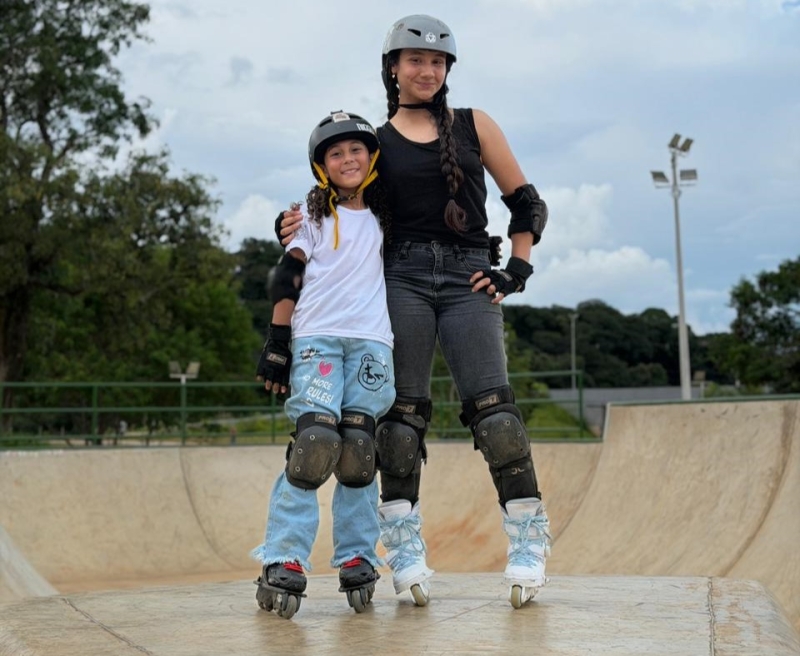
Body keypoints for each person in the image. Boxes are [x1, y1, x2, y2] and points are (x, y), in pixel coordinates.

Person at [275, 15, 551, 610]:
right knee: (399, 427)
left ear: (447, 70)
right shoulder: (374, 141)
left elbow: (525, 201)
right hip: (398, 278)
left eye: (438, 62)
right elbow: (338, 199)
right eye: (414, 60)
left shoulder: (476, 126)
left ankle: (528, 541)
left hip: (469, 275)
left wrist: (517, 268)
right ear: (392, 69)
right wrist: (288, 223)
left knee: (496, 417)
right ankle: (403, 551)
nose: (427, 71)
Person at [251, 111, 396, 619]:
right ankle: (282, 555)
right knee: (316, 442)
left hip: (372, 343)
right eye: (336, 153)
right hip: (317, 340)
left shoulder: (386, 215)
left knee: (358, 448)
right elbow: (287, 278)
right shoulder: (310, 216)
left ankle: (356, 551)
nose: (348, 159)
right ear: (322, 166)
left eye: (356, 150)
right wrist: (277, 339)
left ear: (372, 157)